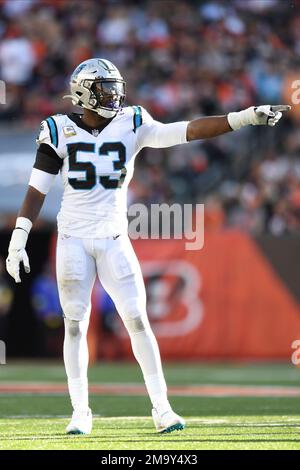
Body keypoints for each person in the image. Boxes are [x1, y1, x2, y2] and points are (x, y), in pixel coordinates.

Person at [6, 58, 290, 435]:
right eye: (106, 88)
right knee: (75, 326)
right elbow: (37, 189)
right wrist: (19, 237)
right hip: (73, 239)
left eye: (114, 86)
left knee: (138, 321)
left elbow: (184, 131)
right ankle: (80, 411)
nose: (115, 94)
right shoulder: (58, 130)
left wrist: (243, 117)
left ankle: (162, 408)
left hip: (113, 238)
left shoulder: (132, 123)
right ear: (84, 93)